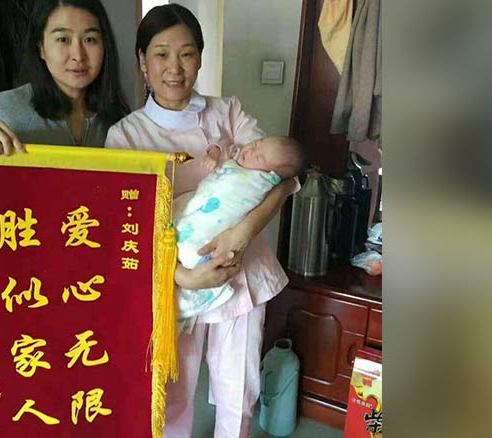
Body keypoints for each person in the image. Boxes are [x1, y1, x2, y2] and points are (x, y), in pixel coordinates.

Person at [104, 4, 299, 437]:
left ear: (200, 58)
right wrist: (183, 276)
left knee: (238, 389)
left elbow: (283, 177)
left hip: (241, 269)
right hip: (173, 279)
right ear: (142, 61)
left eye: (187, 53)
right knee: (172, 391)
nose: (175, 67)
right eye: (161, 54)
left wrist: (243, 231)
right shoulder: (125, 136)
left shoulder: (227, 113)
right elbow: (126, 226)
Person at [0, 0, 129, 155]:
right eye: (63, 39)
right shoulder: (5, 109)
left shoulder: (118, 118)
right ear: (41, 48)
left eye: (89, 39)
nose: (78, 56)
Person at [176, 136, 305, 332]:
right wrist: (215, 151)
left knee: (238, 350)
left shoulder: (262, 177)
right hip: (179, 256)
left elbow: (288, 181)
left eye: (259, 157)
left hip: (241, 271)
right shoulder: (245, 154)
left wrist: (244, 231)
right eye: (254, 144)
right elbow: (231, 148)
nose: (251, 150)